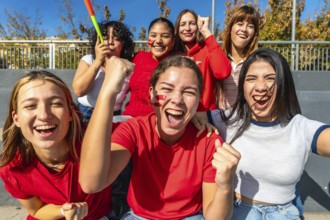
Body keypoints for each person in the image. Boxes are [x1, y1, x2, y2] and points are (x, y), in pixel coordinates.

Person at [79, 55, 241, 219]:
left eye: (189, 92)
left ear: (199, 98)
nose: (177, 100)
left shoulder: (208, 141)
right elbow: (91, 183)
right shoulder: (135, 130)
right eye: (167, 89)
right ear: (152, 94)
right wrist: (108, 92)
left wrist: (225, 184)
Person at [205, 48, 330, 219]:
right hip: (237, 210)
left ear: (284, 84)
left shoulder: (301, 127)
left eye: (270, 78)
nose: (261, 87)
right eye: (251, 79)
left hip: (284, 213)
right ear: (242, 86)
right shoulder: (225, 119)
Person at [0, 71, 112, 220]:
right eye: (30, 106)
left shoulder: (97, 140)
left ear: (71, 113)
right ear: (17, 118)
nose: (44, 115)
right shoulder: (12, 167)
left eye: (55, 103)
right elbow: (37, 210)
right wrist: (63, 211)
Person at [72, 21, 134, 123]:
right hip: (85, 113)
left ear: (123, 44)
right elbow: (79, 91)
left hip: (113, 116)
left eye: (116, 38)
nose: (110, 42)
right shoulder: (89, 60)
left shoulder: (128, 66)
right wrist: (98, 61)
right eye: (105, 38)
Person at [173, 9, 232, 111]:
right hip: (178, 112)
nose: (187, 28)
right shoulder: (172, 54)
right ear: (177, 29)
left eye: (192, 23)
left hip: (205, 115)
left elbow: (223, 72)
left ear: (198, 26)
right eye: (183, 24)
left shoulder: (208, 49)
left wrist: (206, 32)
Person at [122, 17, 175, 117]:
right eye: (153, 35)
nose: (158, 40)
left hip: (161, 123)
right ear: (148, 39)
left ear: (173, 41)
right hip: (131, 119)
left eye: (165, 36)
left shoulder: (178, 64)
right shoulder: (138, 57)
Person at [217, 5, 260, 110]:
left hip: (248, 121)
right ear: (230, 28)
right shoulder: (217, 58)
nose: (244, 29)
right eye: (240, 24)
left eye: (250, 26)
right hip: (218, 121)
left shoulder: (258, 62)